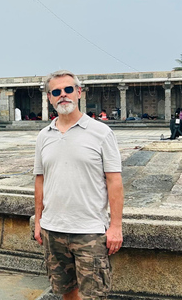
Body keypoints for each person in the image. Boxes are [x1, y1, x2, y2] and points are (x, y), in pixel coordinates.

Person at [34, 70, 123, 300]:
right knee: (65, 292)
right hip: (53, 228)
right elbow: (40, 179)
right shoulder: (44, 135)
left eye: (68, 89)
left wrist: (115, 226)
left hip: (89, 230)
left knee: (94, 295)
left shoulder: (101, 132)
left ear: (79, 92)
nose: (63, 95)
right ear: (49, 98)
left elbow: (114, 181)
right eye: (56, 92)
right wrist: (38, 220)